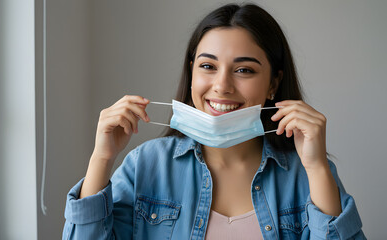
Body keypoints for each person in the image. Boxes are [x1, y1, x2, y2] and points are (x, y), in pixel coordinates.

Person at [63, 3, 365, 239]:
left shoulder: (307, 173)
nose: (222, 85)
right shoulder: (145, 165)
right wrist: (101, 158)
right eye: (208, 66)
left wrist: (317, 167)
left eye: (244, 70)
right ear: (191, 73)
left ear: (273, 83)